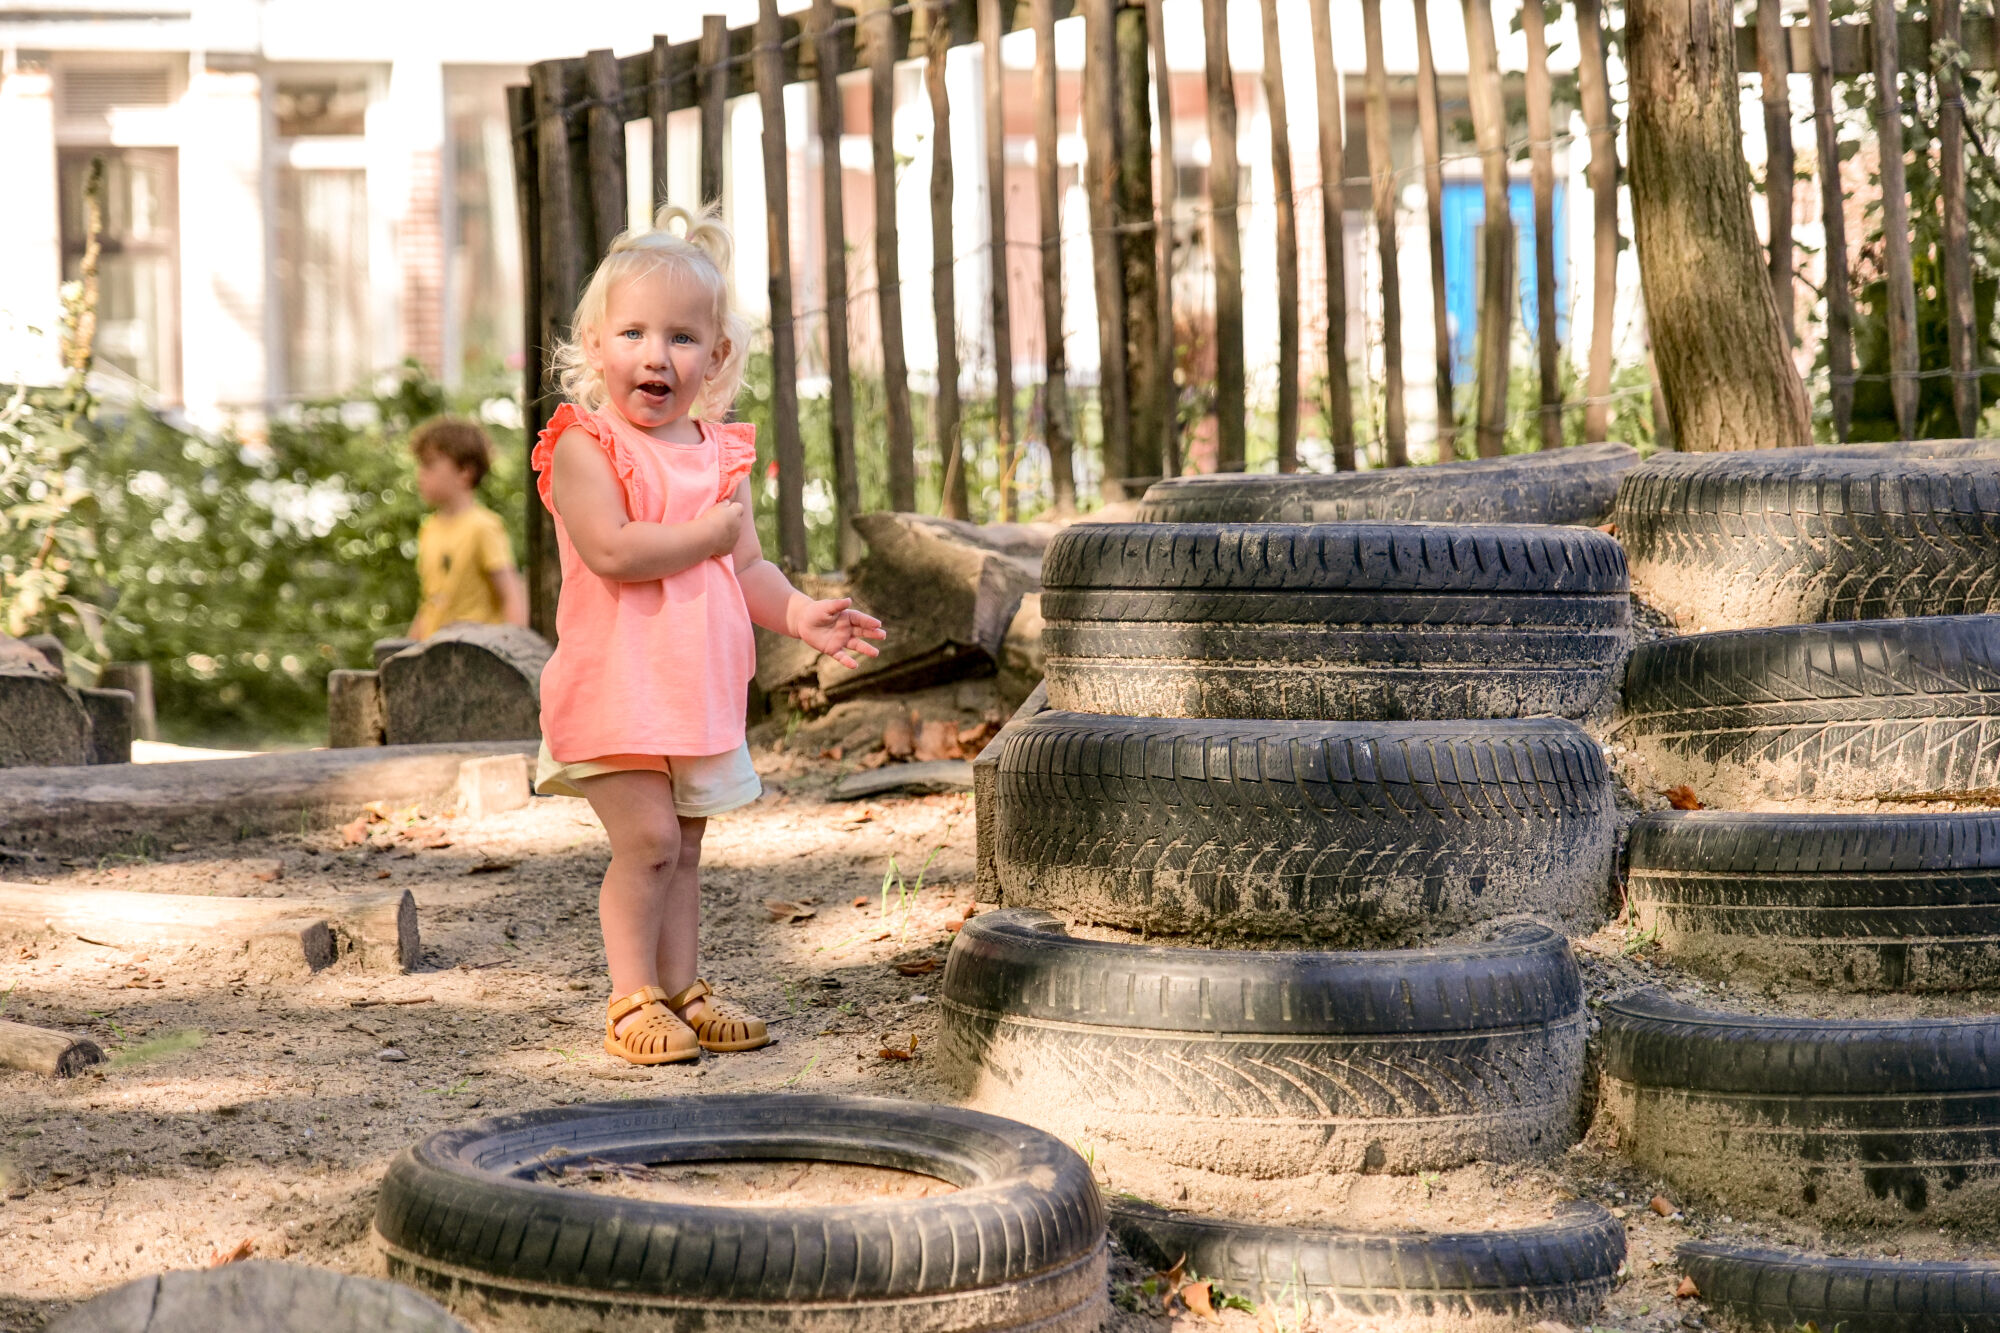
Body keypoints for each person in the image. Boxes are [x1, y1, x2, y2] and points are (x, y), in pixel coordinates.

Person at [533, 202, 885, 1066]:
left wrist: (800, 612)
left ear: (716, 357)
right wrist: (705, 537)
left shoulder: (718, 454)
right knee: (647, 841)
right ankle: (630, 998)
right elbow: (614, 550)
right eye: (633, 333)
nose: (657, 355)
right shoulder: (585, 445)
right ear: (595, 345)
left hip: (692, 693)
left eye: (682, 338)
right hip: (616, 690)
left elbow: (748, 567)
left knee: (684, 848)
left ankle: (682, 988)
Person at [407, 417, 529, 640]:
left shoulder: (483, 526)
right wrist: (406, 648)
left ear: (465, 472)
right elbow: (431, 602)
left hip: (475, 657)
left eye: (430, 465)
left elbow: (511, 596)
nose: (420, 474)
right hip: (436, 654)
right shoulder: (429, 529)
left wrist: (513, 651)